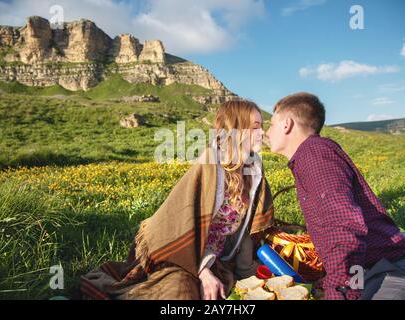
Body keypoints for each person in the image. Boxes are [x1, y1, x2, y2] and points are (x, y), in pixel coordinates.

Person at [79, 100, 275, 300]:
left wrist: (246, 272)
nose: (262, 133)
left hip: (218, 257)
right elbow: (184, 226)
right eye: (255, 127)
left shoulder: (253, 170)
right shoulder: (210, 166)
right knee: (179, 294)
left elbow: (245, 230)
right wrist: (203, 272)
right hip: (180, 256)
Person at [265, 92, 405, 300]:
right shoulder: (311, 155)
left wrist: (340, 292)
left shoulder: (313, 153)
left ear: (286, 125)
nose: (267, 132)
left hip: (394, 272)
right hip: (377, 273)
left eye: (271, 124)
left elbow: (342, 225)